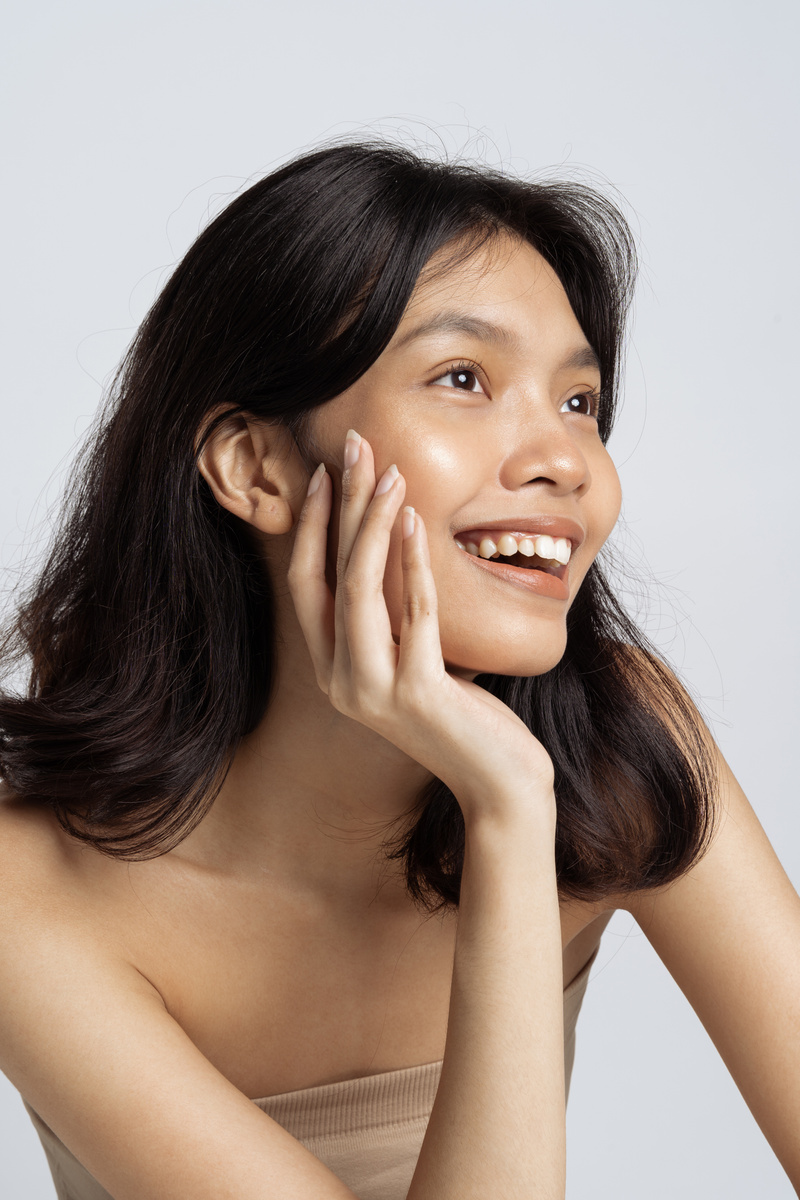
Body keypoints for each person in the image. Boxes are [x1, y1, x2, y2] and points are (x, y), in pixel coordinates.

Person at [0, 140, 797, 1200]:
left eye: (578, 402)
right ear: (255, 466)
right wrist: (509, 807)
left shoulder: (619, 735)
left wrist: (508, 792)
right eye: (463, 379)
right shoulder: (29, 887)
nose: (566, 461)